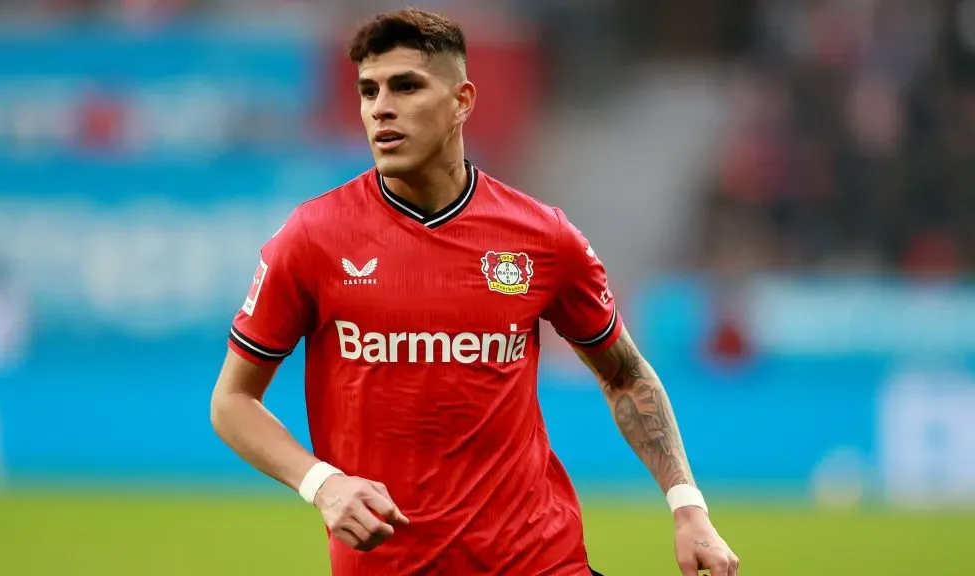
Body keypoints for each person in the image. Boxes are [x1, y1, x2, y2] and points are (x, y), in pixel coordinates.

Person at [210, 8, 739, 576]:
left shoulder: (543, 238)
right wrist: (322, 483)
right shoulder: (312, 238)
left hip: (540, 560)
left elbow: (624, 373)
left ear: (462, 101)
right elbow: (233, 402)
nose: (380, 107)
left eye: (406, 86)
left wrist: (688, 508)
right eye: (368, 91)